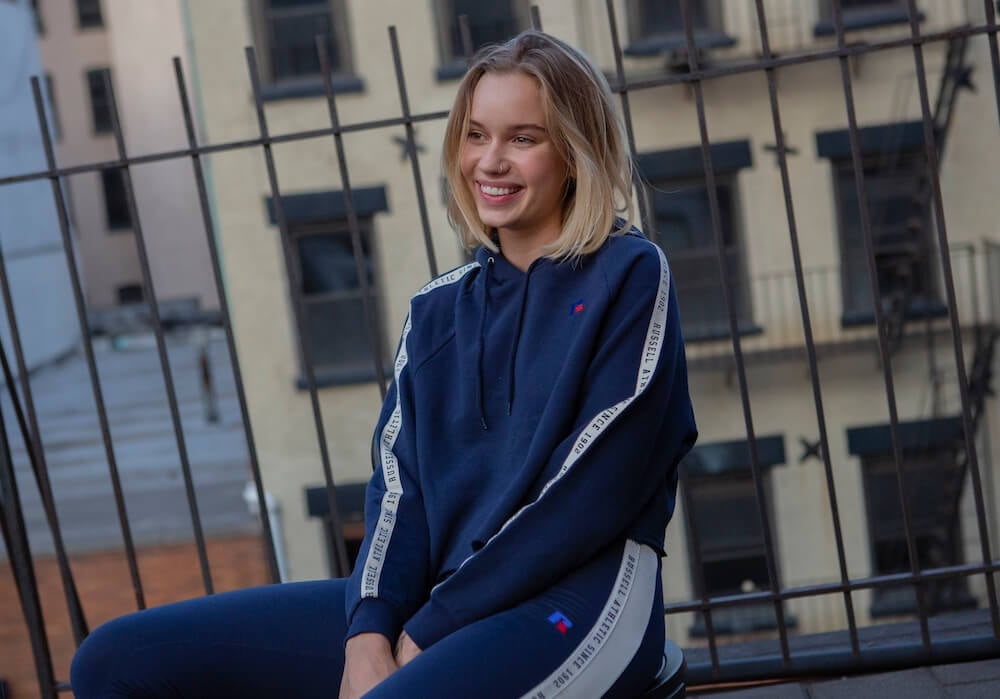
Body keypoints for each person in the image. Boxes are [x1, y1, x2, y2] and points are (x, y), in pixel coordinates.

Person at [70, 30, 697, 699]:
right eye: (475, 134)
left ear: (573, 151)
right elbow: (400, 494)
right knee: (115, 661)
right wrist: (369, 632)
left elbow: (588, 494)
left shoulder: (629, 275)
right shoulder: (436, 311)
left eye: (523, 138)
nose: (490, 161)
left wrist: (429, 628)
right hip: (435, 601)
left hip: (585, 595)